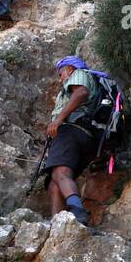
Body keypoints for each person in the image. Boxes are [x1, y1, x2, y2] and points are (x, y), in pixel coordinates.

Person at [43, 55, 104, 224]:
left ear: (69, 69)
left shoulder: (79, 74)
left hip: (72, 130)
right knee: (56, 182)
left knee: (60, 173)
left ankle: (78, 211)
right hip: (85, 137)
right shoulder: (90, 81)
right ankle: (57, 224)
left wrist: (58, 120)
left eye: (60, 73)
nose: (60, 78)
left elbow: (81, 92)